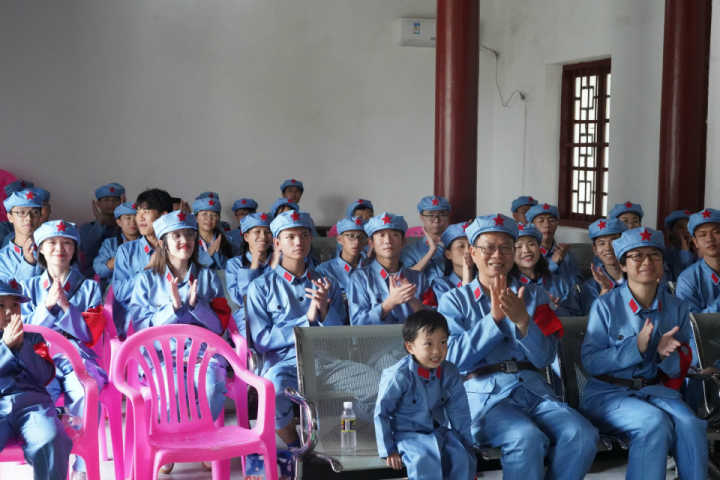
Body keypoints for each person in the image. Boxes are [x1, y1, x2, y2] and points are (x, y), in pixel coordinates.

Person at [438, 213, 598, 480]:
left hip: (533, 391)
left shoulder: (534, 295)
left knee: (582, 433)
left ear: (513, 253)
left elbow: (545, 357)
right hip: (484, 397)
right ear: (473, 253)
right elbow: (450, 358)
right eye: (488, 248)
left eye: (505, 248)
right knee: (525, 437)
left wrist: (523, 321)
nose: (497, 255)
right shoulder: (454, 301)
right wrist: (493, 320)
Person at [581, 226, 707, 480]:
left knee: (691, 425)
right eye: (637, 256)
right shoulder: (605, 305)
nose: (647, 262)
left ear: (662, 264)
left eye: (654, 255)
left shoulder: (677, 308)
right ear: (623, 265)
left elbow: (679, 368)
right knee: (653, 422)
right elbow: (590, 362)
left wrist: (662, 356)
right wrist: (636, 348)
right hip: (609, 392)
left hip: (655, 389)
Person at [127, 210, 231, 474]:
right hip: (162, 356)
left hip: (203, 354)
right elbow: (140, 327)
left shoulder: (208, 277)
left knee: (211, 387)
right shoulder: (146, 279)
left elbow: (219, 326)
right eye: (176, 236)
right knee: (172, 390)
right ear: (163, 242)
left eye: (189, 235)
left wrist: (196, 306)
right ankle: (170, 441)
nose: (184, 241)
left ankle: (204, 439)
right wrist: (173, 308)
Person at [245, 210, 346, 448]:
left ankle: (339, 444)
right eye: (290, 237)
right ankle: (296, 447)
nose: (298, 241)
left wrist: (324, 310)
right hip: (283, 363)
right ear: (277, 243)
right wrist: (306, 319)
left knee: (368, 381)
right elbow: (261, 340)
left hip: (325, 360)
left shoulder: (326, 282)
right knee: (273, 388)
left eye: (304, 235)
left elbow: (339, 334)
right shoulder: (260, 287)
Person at [21, 220, 106, 479]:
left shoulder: (90, 287)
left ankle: (82, 465)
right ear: (40, 249)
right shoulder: (27, 288)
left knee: (85, 393)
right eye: (52, 243)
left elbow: (89, 334)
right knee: (37, 398)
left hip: (76, 357)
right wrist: (47, 308)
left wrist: (68, 308)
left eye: (67, 243)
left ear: (75, 249)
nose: (59, 248)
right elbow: (23, 333)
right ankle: (49, 463)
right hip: (39, 357)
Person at [374, 310, 476, 480]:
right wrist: (389, 450)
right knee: (424, 462)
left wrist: (466, 443)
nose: (437, 351)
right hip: (407, 435)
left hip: (439, 433)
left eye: (443, 342)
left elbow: (459, 411)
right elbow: (382, 413)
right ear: (410, 347)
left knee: (462, 458)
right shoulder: (399, 376)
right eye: (428, 344)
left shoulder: (449, 372)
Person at [0, 278, 72, 480]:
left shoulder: (33, 337)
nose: (10, 312)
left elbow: (44, 376)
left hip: (32, 405)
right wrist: (6, 348)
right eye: (1, 306)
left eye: (15, 306)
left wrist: (21, 347)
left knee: (50, 439)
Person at [347, 212, 430, 325]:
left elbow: (434, 321)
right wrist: (390, 303)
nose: (388, 241)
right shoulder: (360, 278)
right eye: (381, 235)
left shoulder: (418, 278)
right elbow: (358, 323)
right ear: (371, 243)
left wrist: (411, 299)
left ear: (403, 242)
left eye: (394, 235)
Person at [111, 188, 173, 337]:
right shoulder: (126, 251)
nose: (139, 218)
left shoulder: (177, 248)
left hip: (173, 320)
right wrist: (148, 270)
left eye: (146, 212)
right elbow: (119, 293)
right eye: (138, 212)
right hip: (139, 325)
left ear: (163, 216)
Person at [512, 223, 582, 316]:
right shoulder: (510, 286)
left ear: (539, 248)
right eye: (518, 246)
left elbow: (576, 316)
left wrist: (555, 310)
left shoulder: (559, 282)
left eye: (531, 244)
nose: (526, 250)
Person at [225, 212, 276, 338]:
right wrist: (254, 264)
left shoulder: (280, 261)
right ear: (246, 236)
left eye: (268, 232)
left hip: (277, 313)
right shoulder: (234, 264)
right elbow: (240, 298)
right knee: (252, 339)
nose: (263, 236)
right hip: (248, 315)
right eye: (257, 232)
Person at [676, 208, 720, 313]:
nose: (710, 239)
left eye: (716, 232)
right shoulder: (687, 279)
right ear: (695, 242)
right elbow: (691, 321)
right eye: (702, 235)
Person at [579, 218, 627, 314]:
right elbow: (590, 319)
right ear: (595, 250)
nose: (608, 248)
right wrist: (605, 291)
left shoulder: (638, 278)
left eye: (614, 241)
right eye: (602, 243)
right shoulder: (590, 287)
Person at [526, 203, 581, 286]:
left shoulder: (565, 252)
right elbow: (531, 284)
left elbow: (577, 280)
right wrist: (554, 263)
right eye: (541, 221)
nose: (547, 225)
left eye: (551, 220)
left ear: (557, 224)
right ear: (532, 225)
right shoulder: (527, 254)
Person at [401, 196, 451, 283]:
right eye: (430, 215)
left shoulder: (458, 245)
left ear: (448, 216)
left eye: (442, 214)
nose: (436, 220)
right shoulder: (410, 249)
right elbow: (404, 278)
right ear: (421, 216)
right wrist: (431, 252)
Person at [78, 183, 124, 276]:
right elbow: (88, 249)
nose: (111, 204)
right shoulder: (86, 228)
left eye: (115, 200)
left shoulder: (127, 228)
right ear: (98, 204)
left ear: (121, 203)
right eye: (106, 200)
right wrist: (99, 223)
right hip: (90, 276)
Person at [92, 202, 139, 292]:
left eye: (136, 218)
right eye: (128, 218)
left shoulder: (147, 242)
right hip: (115, 290)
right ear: (119, 222)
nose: (133, 222)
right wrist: (116, 262)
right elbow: (99, 269)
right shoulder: (110, 244)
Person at [0, 189, 44, 281]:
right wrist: (28, 263)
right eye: (21, 212)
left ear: (40, 217)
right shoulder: (2, 259)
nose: (29, 218)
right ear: (10, 217)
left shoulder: (53, 249)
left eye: (35, 212)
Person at [316, 217, 368, 295]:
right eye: (351, 236)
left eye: (361, 237)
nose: (357, 242)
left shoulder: (372, 267)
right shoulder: (325, 270)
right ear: (339, 239)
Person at [429, 222, 474, 304]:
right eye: (461, 246)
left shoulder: (485, 280)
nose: (468, 251)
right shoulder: (441, 285)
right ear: (448, 254)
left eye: (471, 246)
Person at [192, 196, 233, 270]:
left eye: (214, 215)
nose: (209, 219)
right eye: (204, 214)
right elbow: (191, 268)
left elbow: (232, 267)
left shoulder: (228, 240)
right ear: (196, 218)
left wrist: (218, 253)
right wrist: (210, 251)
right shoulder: (190, 241)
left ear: (218, 219)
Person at [664, 210, 697, 282]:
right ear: (671, 231)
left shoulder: (699, 254)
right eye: (681, 227)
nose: (686, 231)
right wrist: (684, 252)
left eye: (689, 227)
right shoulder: (665, 254)